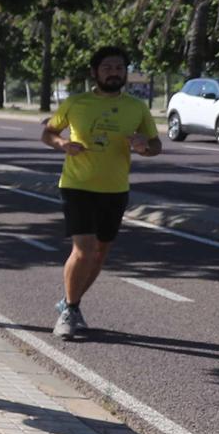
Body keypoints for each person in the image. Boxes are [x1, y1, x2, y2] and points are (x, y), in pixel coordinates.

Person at [41, 45, 161, 338]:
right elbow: (48, 132)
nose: (114, 73)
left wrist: (145, 146)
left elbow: (156, 145)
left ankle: (71, 301)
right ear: (95, 73)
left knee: (100, 252)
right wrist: (62, 145)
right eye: (107, 68)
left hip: (115, 189)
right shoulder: (76, 102)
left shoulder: (137, 107)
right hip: (77, 185)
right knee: (83, 249)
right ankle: (69, 311)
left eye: (119, 68)